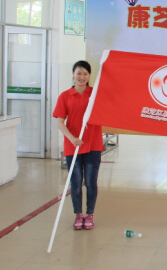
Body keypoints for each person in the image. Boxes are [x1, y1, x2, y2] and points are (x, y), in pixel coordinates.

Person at [53, 61, 104, 230]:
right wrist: (71, 138)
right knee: (75, 183)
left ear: (89, 76)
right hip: (73, 145)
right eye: (78, 73)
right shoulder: (65, 96)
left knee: (90, 182)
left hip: (93, 144)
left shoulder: (96, 94)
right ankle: (78, 215)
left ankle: (90, 214)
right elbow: (60, 121)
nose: (81, 77)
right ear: (73, 74)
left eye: (85, 74)